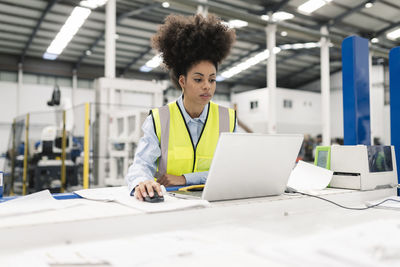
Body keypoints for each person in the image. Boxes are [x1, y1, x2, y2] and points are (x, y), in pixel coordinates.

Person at [125, 14, 237, 200]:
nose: (207, 86)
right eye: (198, 79)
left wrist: (185, 179)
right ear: (182, 81)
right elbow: (141, 164)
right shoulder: (160, 119)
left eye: (212, 79)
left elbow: (232, 170)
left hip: (214, 205)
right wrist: (142, 182)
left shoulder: (228, 119)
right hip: (169, 205)